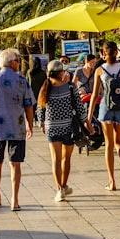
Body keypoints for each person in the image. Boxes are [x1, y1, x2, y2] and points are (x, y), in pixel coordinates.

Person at [0, 47, 36, 211]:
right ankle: (14, 199)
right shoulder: (22, 81)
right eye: (17, 60)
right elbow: (29, 106)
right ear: (11, 63)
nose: (19, 63)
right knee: (15, 164)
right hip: (17, 128)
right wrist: (30, 125)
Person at [38, 59, 92, 201]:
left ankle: (59, 189)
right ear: (61, 72)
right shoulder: (70, 86)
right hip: (68, 127)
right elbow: (79, 107)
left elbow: (40, 107)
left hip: (52, 128)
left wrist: (42, 123)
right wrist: (87, 122)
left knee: (55, 159)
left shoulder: (45, 86)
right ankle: (64, 184)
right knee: (66, 158)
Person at [88, 40, 120, 190]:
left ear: (103, 54)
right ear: (116, 53)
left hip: (106, 108)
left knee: (109, 144)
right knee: (119, 142)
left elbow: (95, 95)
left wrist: (88, 118)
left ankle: (112, 181)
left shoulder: (100, 70)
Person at [26, 57, 47, 122]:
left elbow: (27, 81)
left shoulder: (29, 72)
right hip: (41, 92)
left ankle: (33, 119)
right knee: (41, 106)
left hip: (32, 92)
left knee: (33, 106)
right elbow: (46, 82)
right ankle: (40, 119)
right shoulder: (43, 73)